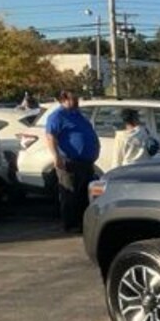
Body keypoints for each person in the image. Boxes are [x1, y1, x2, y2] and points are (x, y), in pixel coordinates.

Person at [45, 90, 100, 233]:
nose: (76, 102)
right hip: (69, 161)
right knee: (70, 193)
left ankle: (83, 223)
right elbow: (50, 137)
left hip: (85, 162)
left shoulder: (78, 115)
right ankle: (71, 224)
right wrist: (56, 156)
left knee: (84, 195)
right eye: (73, 99)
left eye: (77, 99)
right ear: (63, 100)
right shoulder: (57, 116)